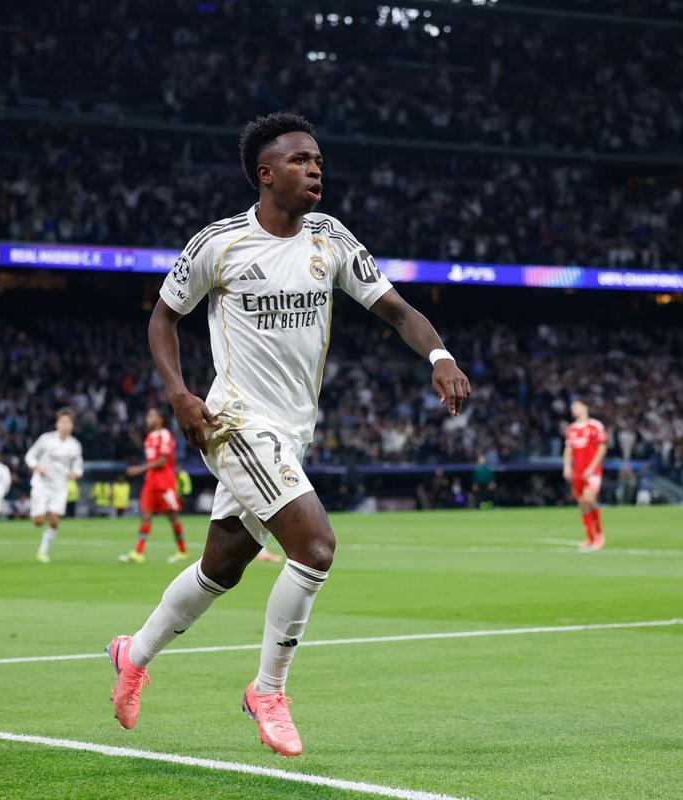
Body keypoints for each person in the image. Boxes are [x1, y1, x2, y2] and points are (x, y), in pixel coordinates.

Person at [105, 112, 470, 757]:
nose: (315, 169)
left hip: (294, 430)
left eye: (318, 160)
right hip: (236, 420)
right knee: (315, 547)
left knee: (222, 565)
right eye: (300, 160)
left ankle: (132, 656)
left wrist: (438, 356)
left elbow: (395, 310)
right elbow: (163, 318)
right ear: (266, 174)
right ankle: (267, 691)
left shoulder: (331, 238)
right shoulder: (218, 244)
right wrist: (180, 394)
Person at [120, 409, 188, 565]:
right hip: (150, 483)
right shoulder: (149, 437)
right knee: (145, 516)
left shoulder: (165, 435)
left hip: (165, 483)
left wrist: (140, 469)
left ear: (160, 419)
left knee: (173, 517)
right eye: (148, 415)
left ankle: (182, 551)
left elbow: (163, 461)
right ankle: (138, 552)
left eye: (152, 415)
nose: (148, 418)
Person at [25, 408, 84, 563]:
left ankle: (43, 551)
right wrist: (36, 466)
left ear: (72, 425)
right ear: (57, 424)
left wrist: (75, 473)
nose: (65, 425)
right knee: (39, 521)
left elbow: (78, 466)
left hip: (60, 487)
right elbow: (30, 456)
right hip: (42, 484)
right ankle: (37, 509)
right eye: (62, 422)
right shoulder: (46, 440)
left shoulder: (75, 445)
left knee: (54, 519)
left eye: (68, 422)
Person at [563, 400, 607, 551]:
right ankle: (590, 537)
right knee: (582, 503)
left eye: (576, 406)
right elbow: (568, 450)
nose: (573, 409)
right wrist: (567, 466)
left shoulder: (596, 426)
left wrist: (592, 467)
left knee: (589, 498)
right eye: (572, 407)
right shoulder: (572, 429)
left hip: (593, 471)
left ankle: (599, 534)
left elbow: (602, 448)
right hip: (578, 471)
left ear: (585, 407)